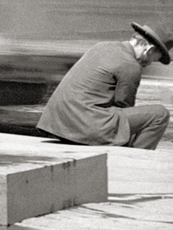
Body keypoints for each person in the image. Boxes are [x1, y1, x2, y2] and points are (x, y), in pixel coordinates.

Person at [37, 22, 173, 150]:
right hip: (85, 126)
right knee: (160, 114)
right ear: (149, 49)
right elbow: (124, 106)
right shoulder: (131, 65)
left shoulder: (102, 46)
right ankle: (135, 160)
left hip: (58, 124)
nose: (150, 63)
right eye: (155, 58)